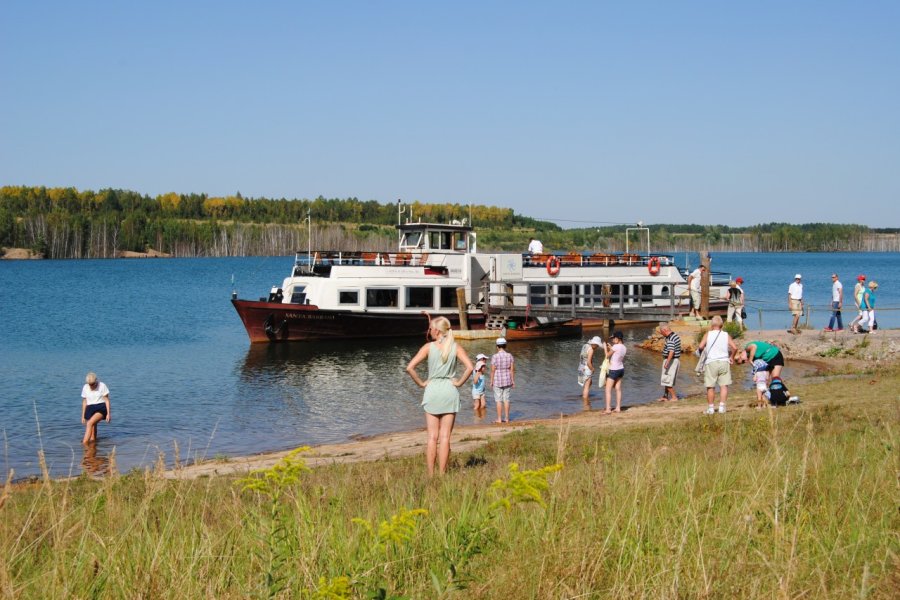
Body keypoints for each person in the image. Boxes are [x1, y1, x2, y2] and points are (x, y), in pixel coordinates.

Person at [406, 316, 474, 476]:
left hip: (433, 390)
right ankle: (442, 474)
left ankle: (430, 475)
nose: (429, 330)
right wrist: (458, 383)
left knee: (432, 437)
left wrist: (422, 384)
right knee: (445, 437)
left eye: (430, 328)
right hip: (449, 391)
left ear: (436, 330)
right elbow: (470, 368)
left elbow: (410, 368)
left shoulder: (428, 347)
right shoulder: (455, 347)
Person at [696, 316, 738, 414]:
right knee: (724, 386)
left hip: (711, 362)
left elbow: (701, 346)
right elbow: (735, 348)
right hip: (724, 361)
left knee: (710, 386)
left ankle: (711, 408)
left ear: (712, 325)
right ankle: (722, 407)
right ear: (722, 325)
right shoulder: (725, 335)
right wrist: (731, 357)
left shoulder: (708, 334)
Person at [81, 372, 111, 445]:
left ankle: (84, 444)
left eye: (93, 384)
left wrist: (108, 414)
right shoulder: (85, 387)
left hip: (101, 407)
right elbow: (84, 402)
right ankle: (93, 447)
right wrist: (83, 416)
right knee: (93, 428)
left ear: (96, 381)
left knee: (89, 423)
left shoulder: (102, 386)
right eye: (89, 384)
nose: (91, 386)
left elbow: (107, 400)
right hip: (90, 408)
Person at [490, 337, 515, 423]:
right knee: (506, 399)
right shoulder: (510, 356)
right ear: (505, 346)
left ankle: (499, 419)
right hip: (508, 380)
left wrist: (491, 381)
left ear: (497, 346)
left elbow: (493, 370)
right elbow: (512, 370)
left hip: (497, 381)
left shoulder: (494, 357)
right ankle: (507, 418)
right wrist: (513, 381)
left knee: (498, 400)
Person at [657, 324, 682, 402]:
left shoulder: (670, 339)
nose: (661, 334)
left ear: (665, 330)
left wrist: (667, 362)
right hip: (674, 360)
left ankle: (674, 397)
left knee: (666, 380)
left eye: (661, 332)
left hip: (671, 360)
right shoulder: (675, 335)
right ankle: (665, 396)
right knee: (666, 379)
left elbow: (671, 351)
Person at [603, 331, 627, 413]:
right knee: (618, 389)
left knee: (608, 389)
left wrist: (605, 348)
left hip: (613, 370)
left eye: (613, 339)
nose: (612, 340)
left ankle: (608, 409)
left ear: (617, 338)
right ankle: (618, 408)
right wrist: (611, 347)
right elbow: (617, 354)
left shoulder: (615, 347)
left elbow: (607, 356)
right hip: (621, 369)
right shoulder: (624, 347)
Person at [578, 336, 603, 401]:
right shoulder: (591, 350)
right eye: (597, 346)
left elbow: (580, 355)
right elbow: (589, 362)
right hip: (587, 368)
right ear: (594, 344)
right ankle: (585, 401)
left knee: (588, 383)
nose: (597, 347)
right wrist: (592, 369)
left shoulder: (585, 345)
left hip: (581, 367)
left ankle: (583, 395)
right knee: (587, 385)